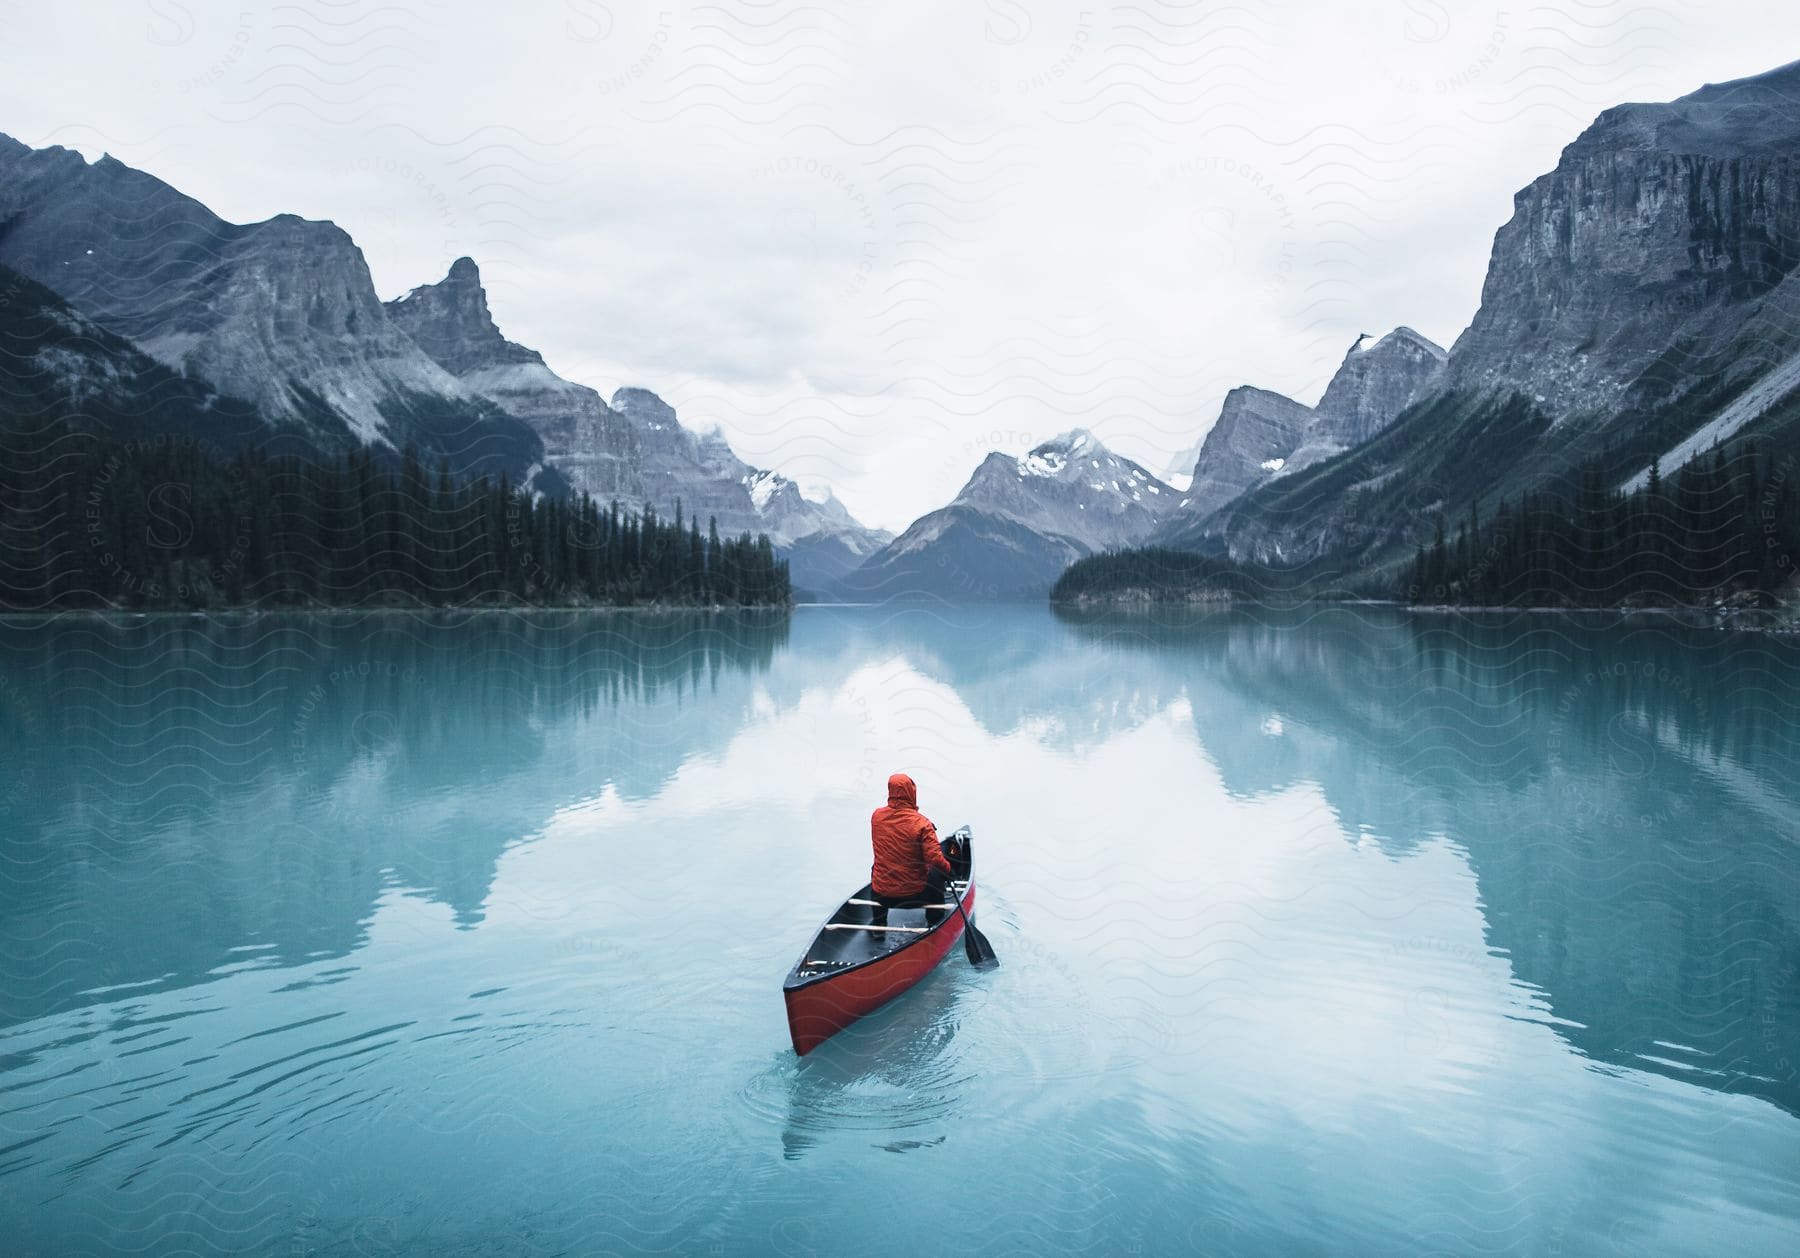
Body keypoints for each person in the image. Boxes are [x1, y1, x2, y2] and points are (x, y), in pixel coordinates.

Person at [870, 772, 954, 927]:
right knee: (938, 872)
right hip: (915, 895)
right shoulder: (922, 824)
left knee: (875, 868)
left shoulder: (876, 816)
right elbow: (934, 859)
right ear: (911, 792)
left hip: (882, 895)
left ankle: (878, 927)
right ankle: (935, 923)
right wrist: (949, 871)